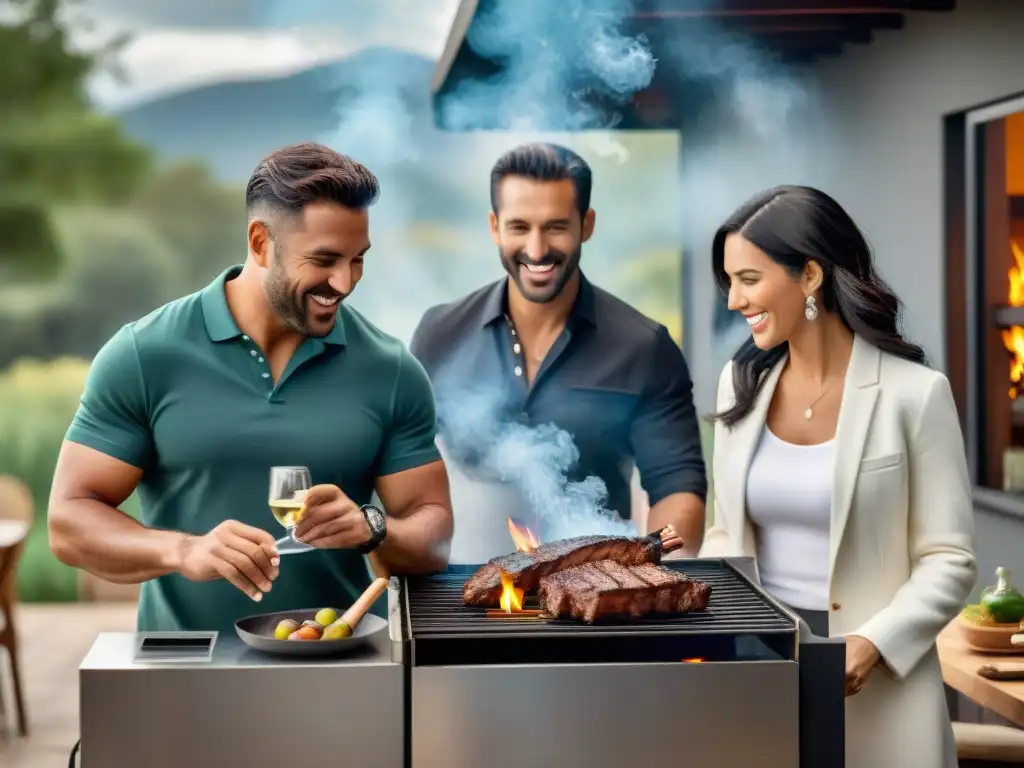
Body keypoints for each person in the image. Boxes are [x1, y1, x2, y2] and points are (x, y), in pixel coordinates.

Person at [48, 142, 453, 632]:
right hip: (188, 670)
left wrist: (373, 529)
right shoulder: (144, 355)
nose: (344, 282)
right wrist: (184, 550)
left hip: (339, 666)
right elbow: (69, 523)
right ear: (261, 243)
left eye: (357, 259)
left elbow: (434, 534)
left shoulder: (390, 370)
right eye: (324, 259)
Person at [699, 185, 976, 767]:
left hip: (879, 681)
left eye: (748, 279)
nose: (733, 301)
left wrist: (871, 643)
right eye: (730, 282)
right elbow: (725, 534)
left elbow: (950, 557)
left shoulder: (915, 395)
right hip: (761, 667)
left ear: (810, 277)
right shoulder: (740, 385)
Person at [410, 142, 705, 552]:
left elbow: (678, 485)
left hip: (594, 597)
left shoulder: (644, 346)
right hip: (455, 594)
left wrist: (653, 567)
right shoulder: (439, 333)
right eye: (519, 227)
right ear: (494, 226)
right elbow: (402, 470)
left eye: (555, 227)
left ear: (586, 224)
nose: (536, 250)